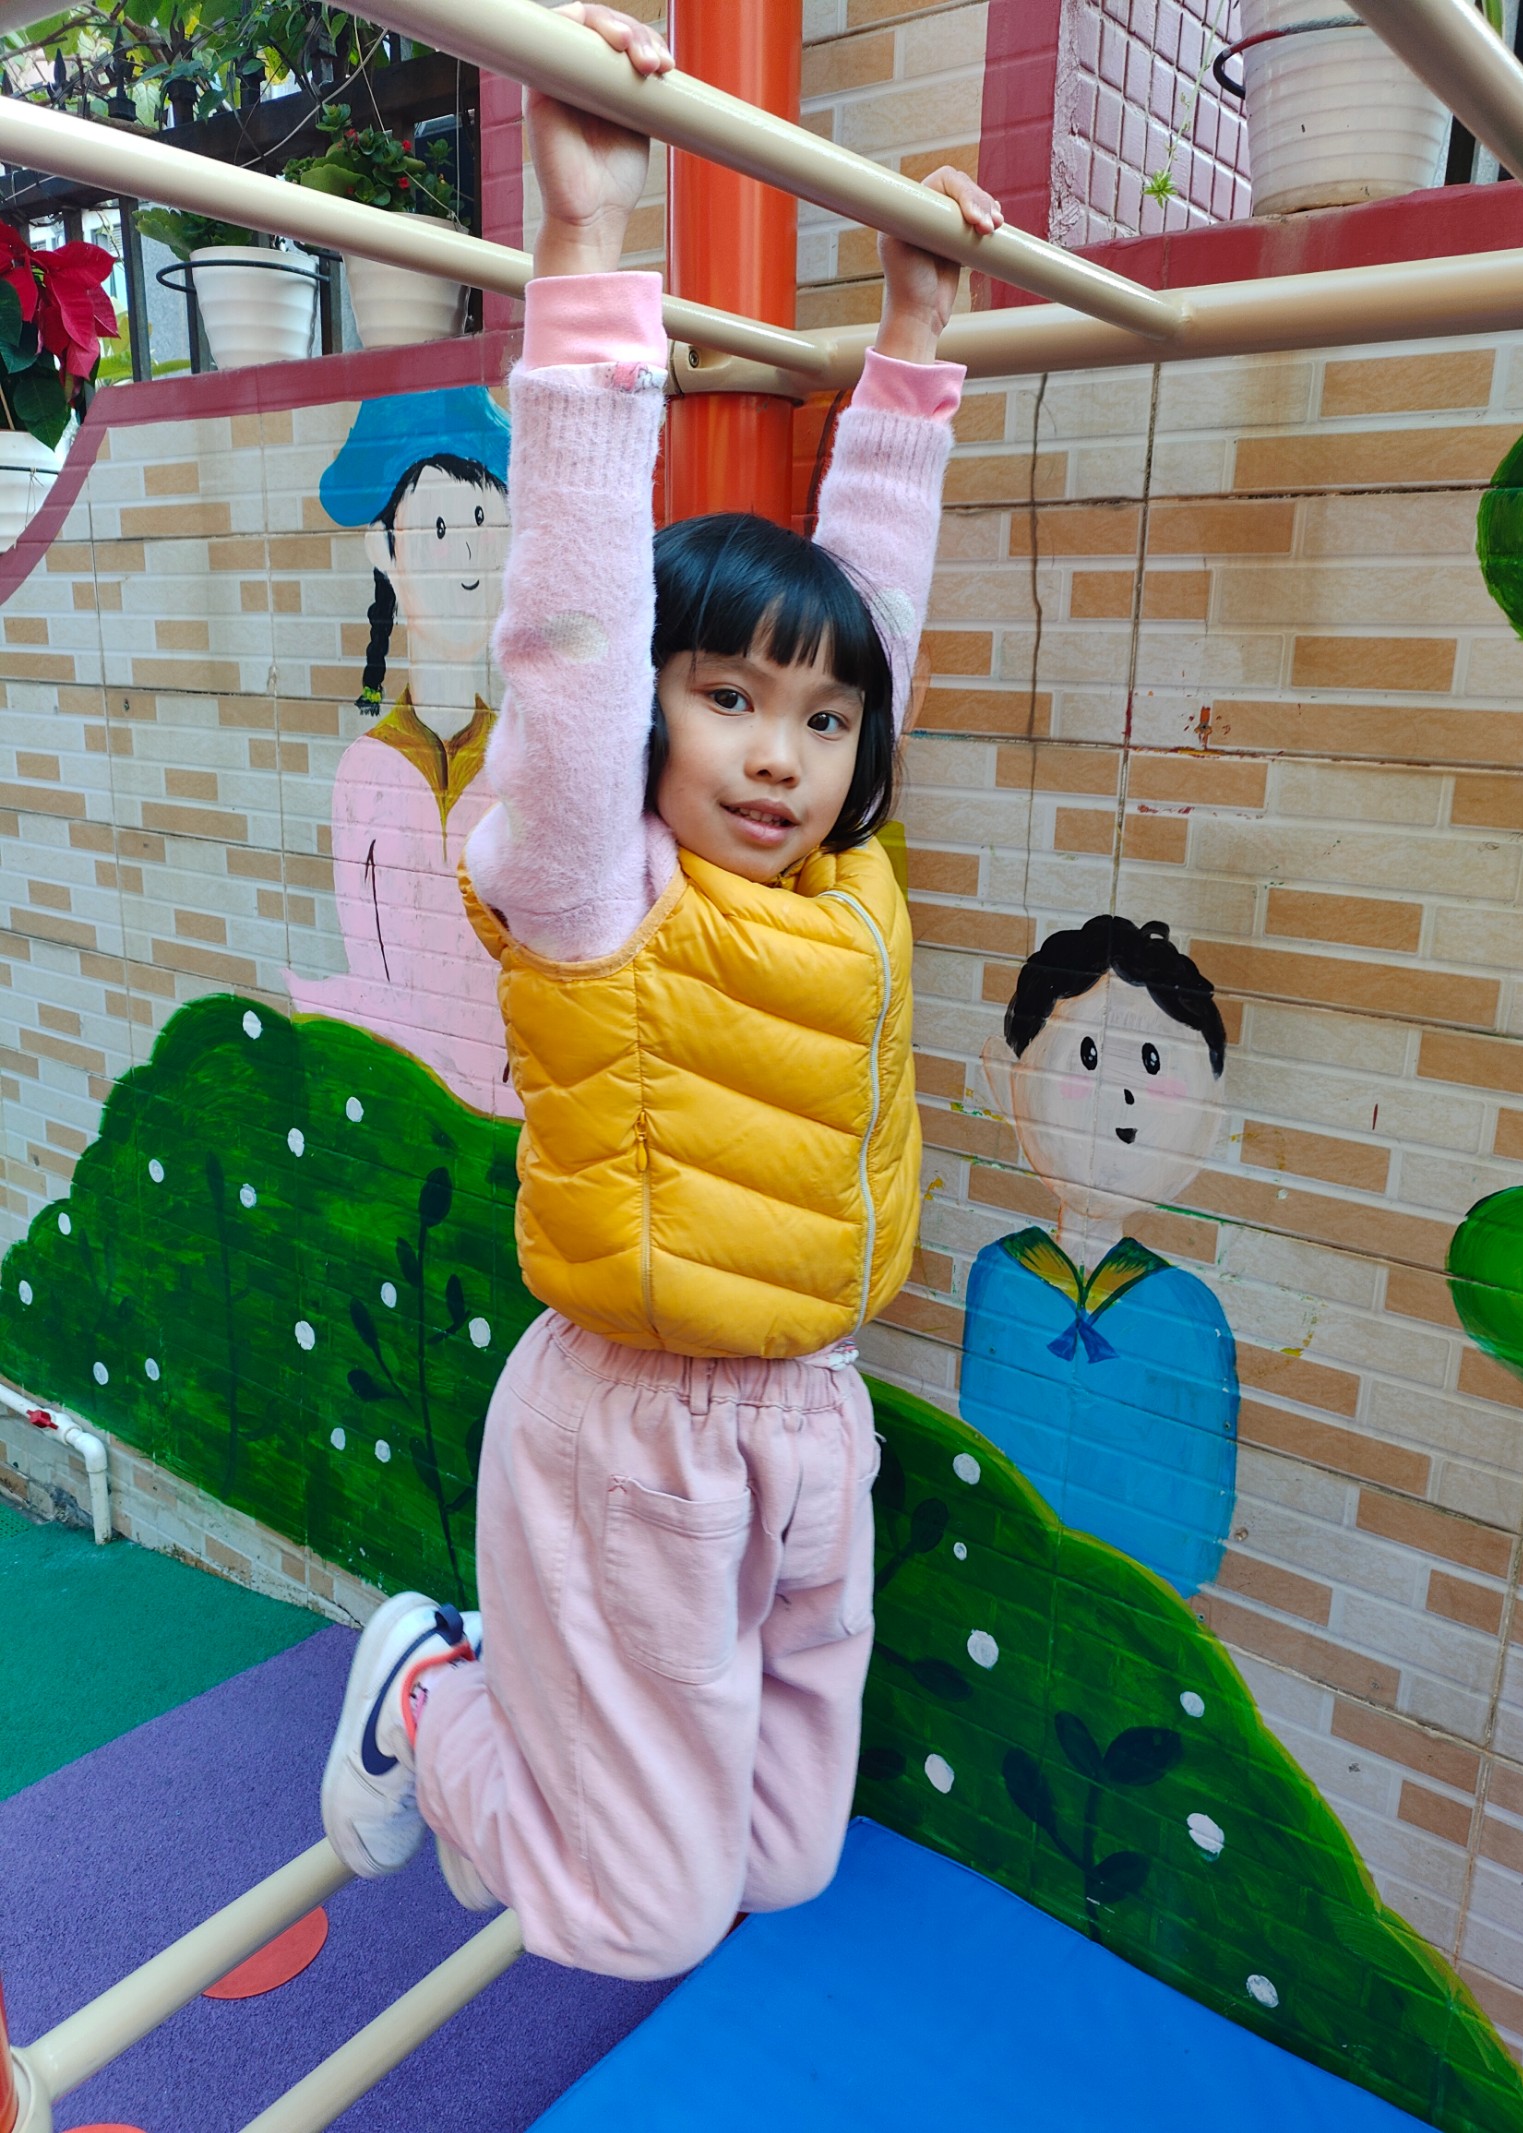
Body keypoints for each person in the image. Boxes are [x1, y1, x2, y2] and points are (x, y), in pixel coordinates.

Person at [318, 3, 1002, 1979]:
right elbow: (569, 627)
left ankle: (505, 1713)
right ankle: (425, 1690)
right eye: (723, 701)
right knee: (637, 1913)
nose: (780, 755)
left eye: (816, 720)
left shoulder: (845, 874)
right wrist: (586, 245)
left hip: (808, 1418)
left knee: (782, 1858)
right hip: (629, 1443)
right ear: (647, 720)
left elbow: (869, 611)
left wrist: (913, 346)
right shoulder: (592, 884)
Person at [963, 917, 1238, 1597]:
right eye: (1086, 1055)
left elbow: (1199, 1498)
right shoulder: (998, 1274)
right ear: (1005, 1079)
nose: (1123, 1095)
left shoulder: (1188, 1313)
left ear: (1210, 1121)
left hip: (1130, 1600)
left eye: (1153, 1064)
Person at [286, 389, 520, 1118]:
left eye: (484, 524)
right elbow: (371, 966)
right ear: (386, 549)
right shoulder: (366, 771)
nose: (470, 560)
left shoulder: (521, 761)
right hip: (408, 1106)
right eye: (442, 527)